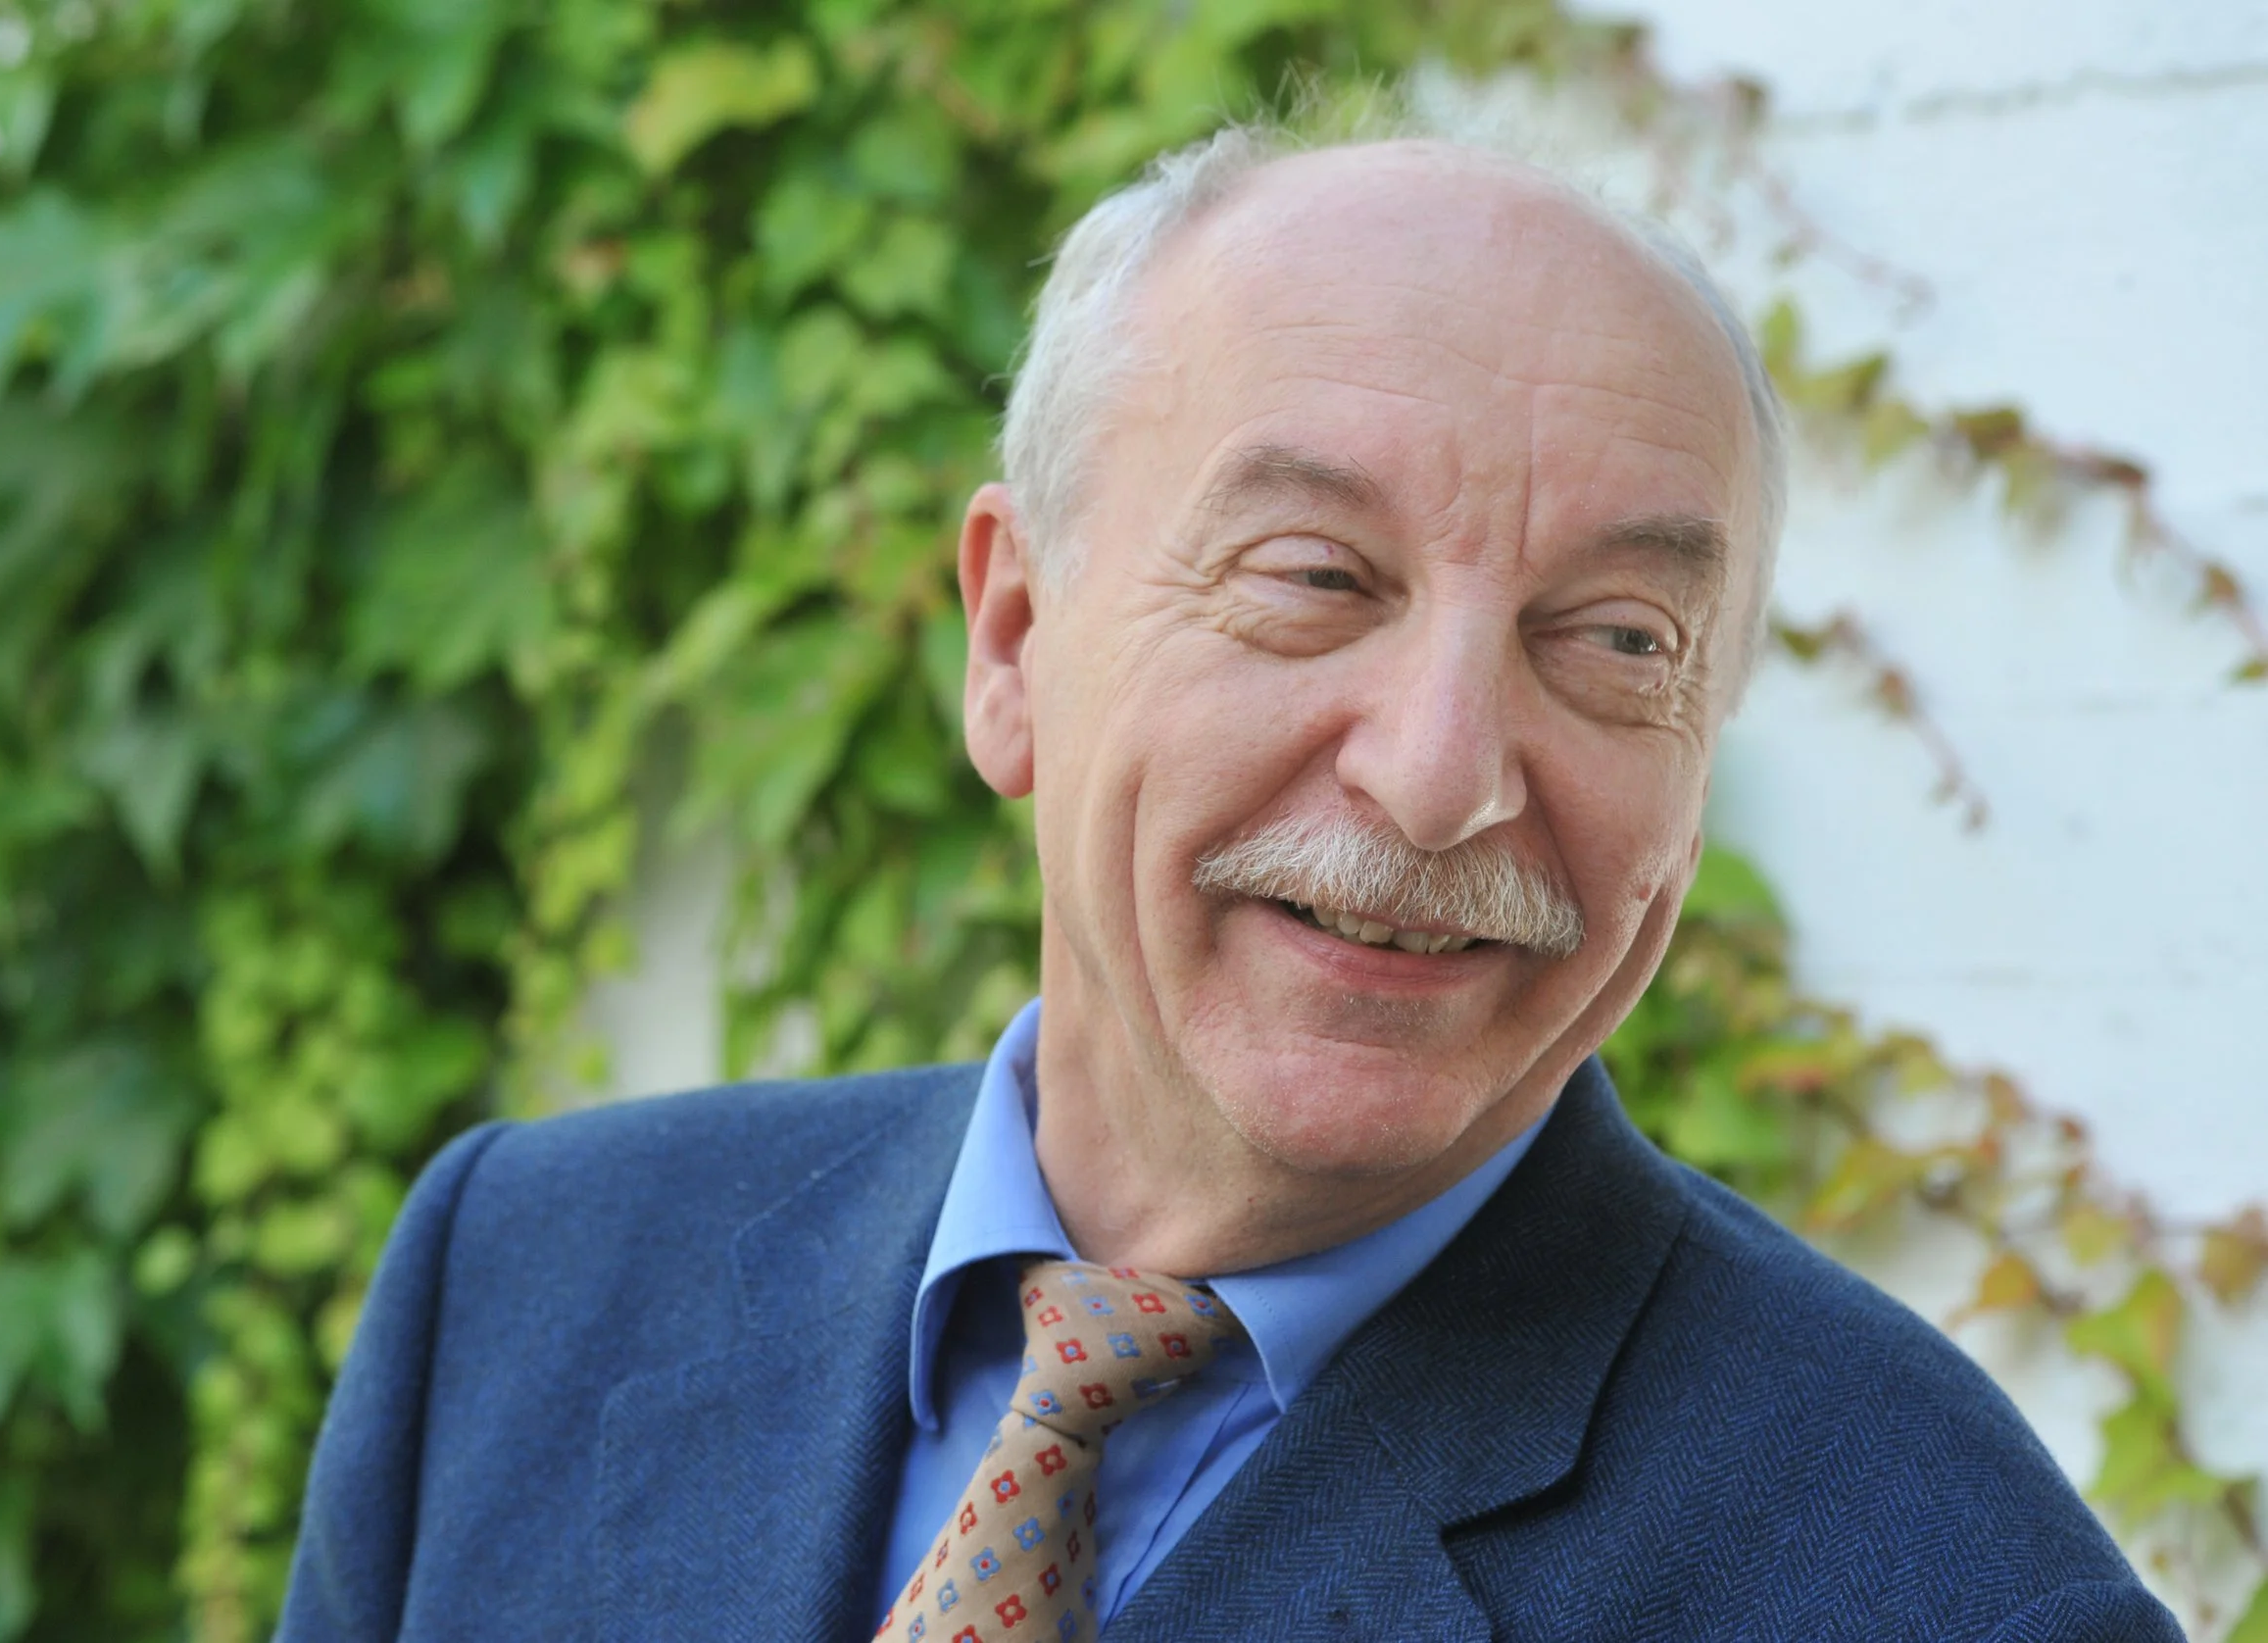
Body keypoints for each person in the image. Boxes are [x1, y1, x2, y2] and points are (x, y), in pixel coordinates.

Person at [276, 127, 2184, 1643]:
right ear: (1012, 639)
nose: (1440, 776)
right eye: (1314, 578)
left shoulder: (1936, 1588)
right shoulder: (520, 1281)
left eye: (1609, 639)